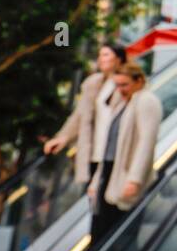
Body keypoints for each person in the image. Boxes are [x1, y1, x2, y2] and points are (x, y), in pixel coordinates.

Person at [87, 62, 163, 243]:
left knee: (118, 231)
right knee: (101, 228)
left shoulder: (146, 100)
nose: (120, 90)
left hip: (125, 174)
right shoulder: (124, 103)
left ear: (139, 81)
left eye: (125, 85)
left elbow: (147, 141)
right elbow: (109, 145)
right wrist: (97, 179)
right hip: (110, 171)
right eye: (117, 85)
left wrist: (134, 179)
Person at [43, 43, 127, 190]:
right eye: (100, 55)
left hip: (115, 156)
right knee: (95, 205)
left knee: (109, 205)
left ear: (119, 59)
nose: (101, 59)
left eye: (106, 55)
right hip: (93, 154)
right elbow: (79, 115)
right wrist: (63, 137)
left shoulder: (127, 85)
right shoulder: (93, 83)